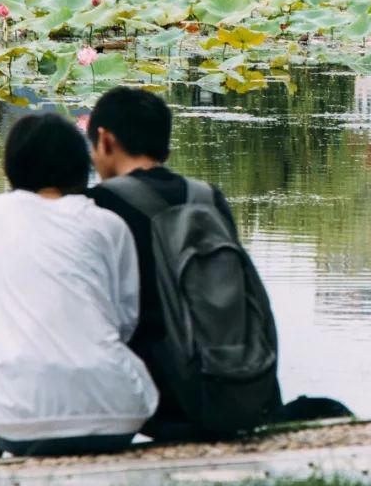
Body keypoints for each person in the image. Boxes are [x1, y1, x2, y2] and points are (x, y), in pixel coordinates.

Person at [85, 87, 282, 442]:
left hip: (159, 398)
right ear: (165, 145)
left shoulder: (99, 206)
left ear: (105, 139)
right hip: (235, 384)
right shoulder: (208, 198)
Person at [0, 113, 158, 458]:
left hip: (15, 422)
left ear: (13, 165)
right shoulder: (109, 223)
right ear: (80, 164)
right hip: (117, 416)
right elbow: (126, 321)